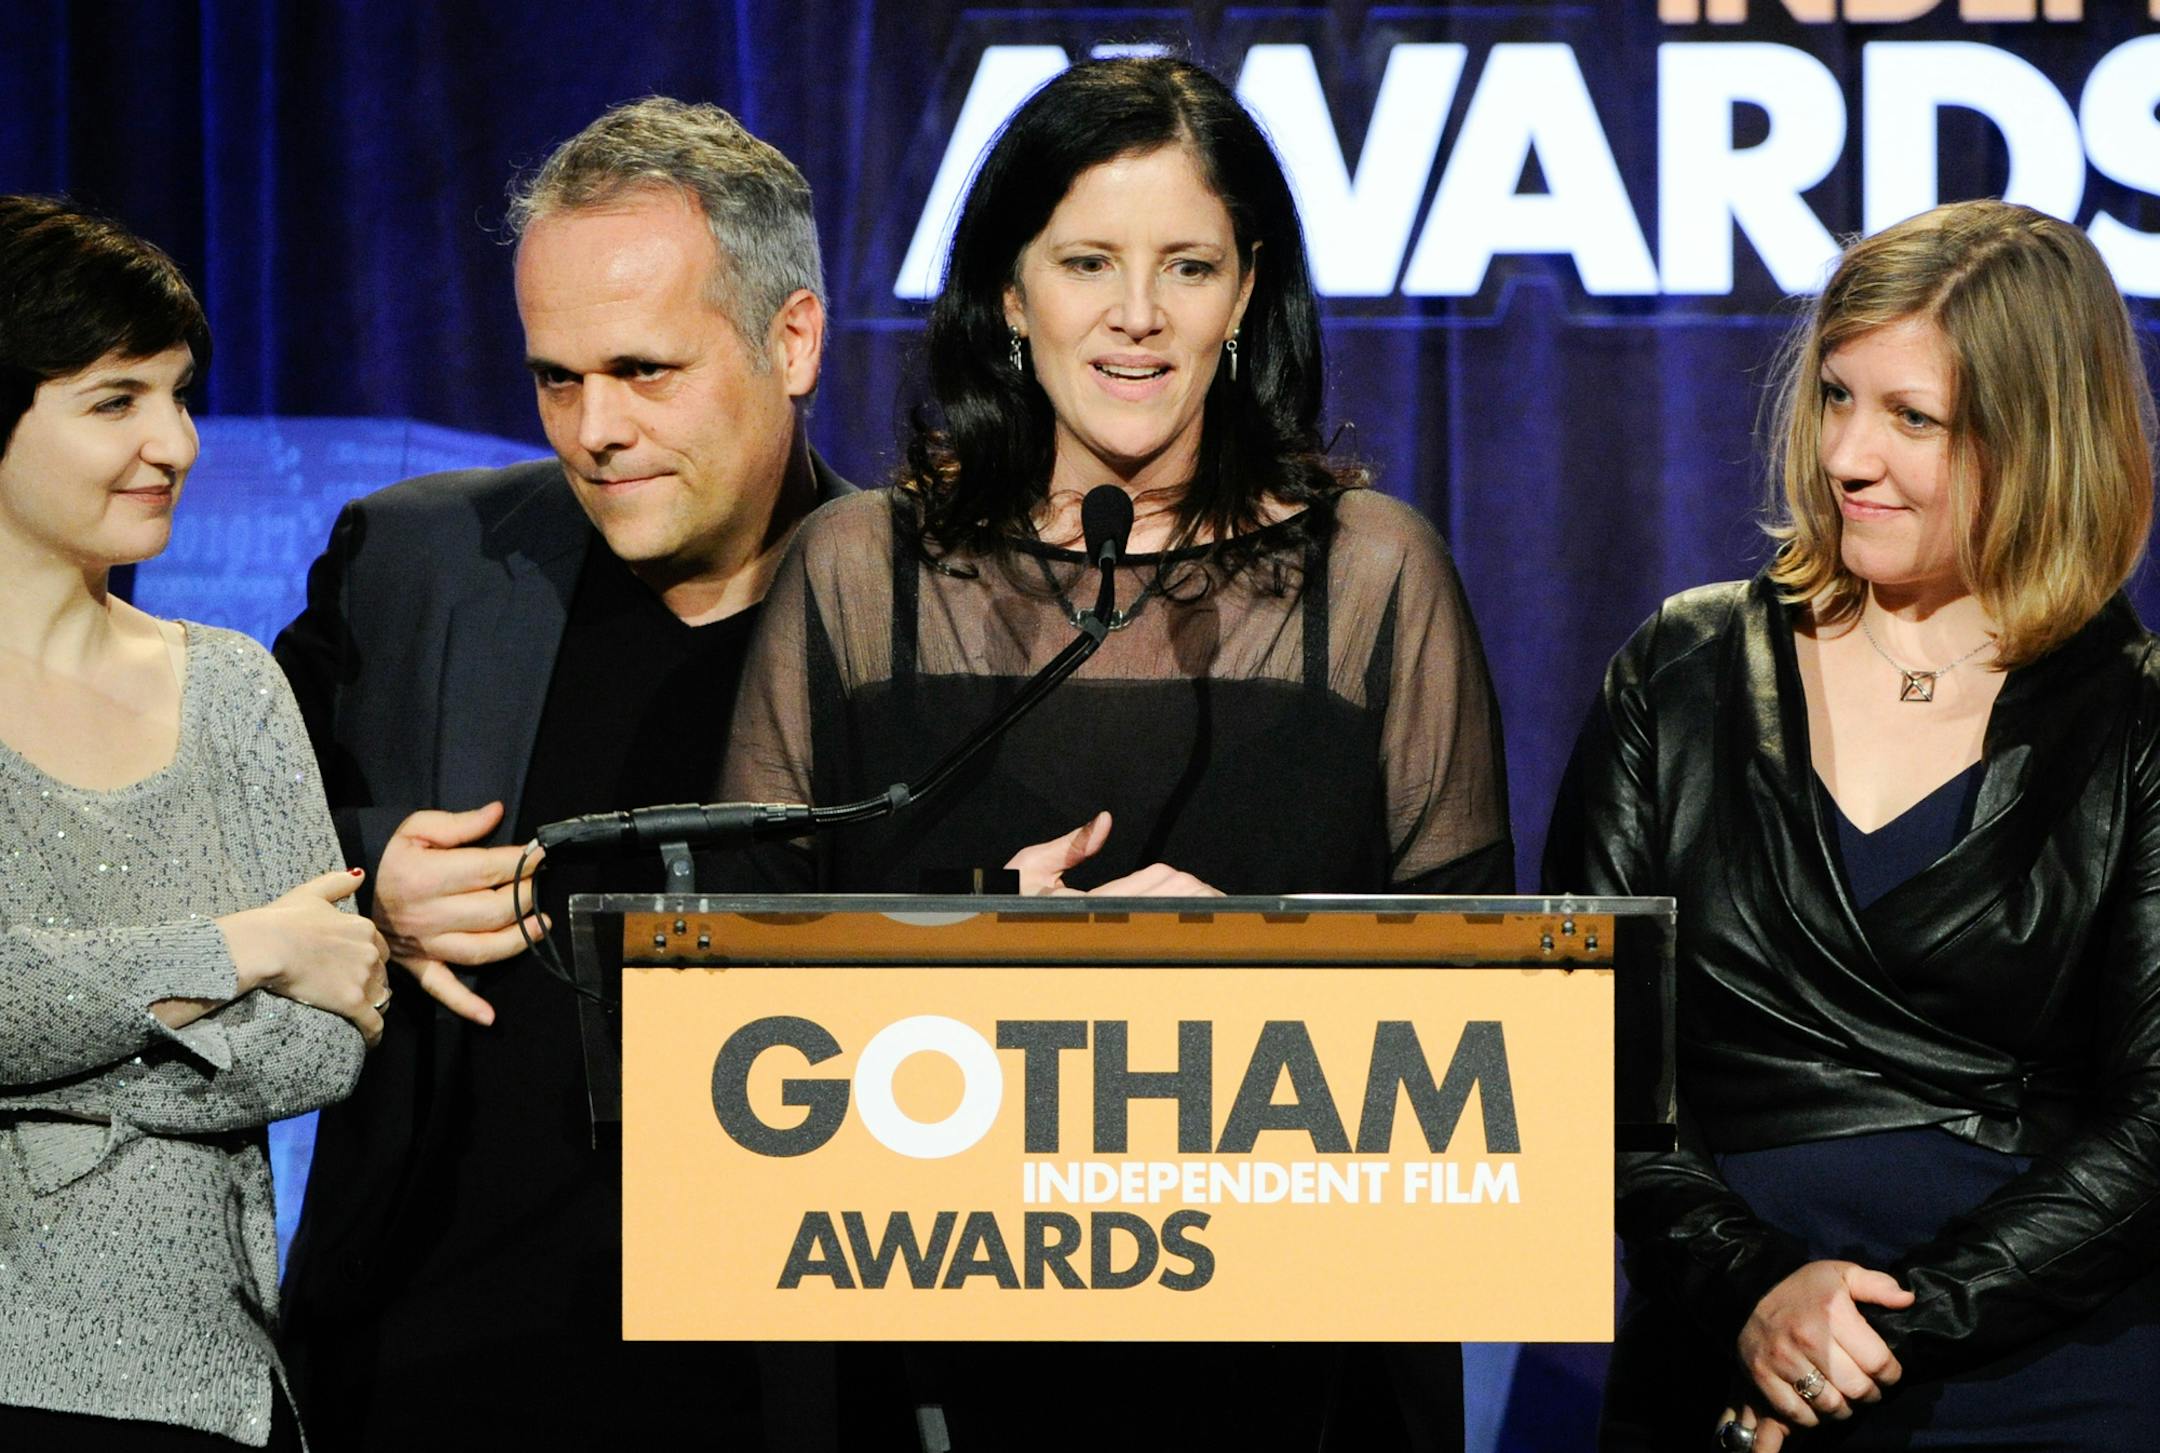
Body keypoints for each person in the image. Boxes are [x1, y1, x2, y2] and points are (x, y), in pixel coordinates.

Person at [721, 56, 1511, 1451]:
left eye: (1188, 266)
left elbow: (1499, 1040)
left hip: (1295, 1367)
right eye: (1088, 261)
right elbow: (725, 1008)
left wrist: (1268, 967)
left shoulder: (1374, 579)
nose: (1137, 317)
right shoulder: (860, 573)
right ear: (1011, 295)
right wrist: (976, 947)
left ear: (1247, 292)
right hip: (932, 1356)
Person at [272, 99, 852, 1449]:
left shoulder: (934, 608)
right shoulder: (417, 565)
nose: (593, 429)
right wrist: (369, 893)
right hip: (434, 1369)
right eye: (556, 377)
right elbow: (195, 854)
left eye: (647, 372)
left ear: (795, 339)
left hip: (785, 1385)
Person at [1545, 199, 2160, 1451]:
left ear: (2041, 439)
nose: (1847, 456)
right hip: (1720, 1358)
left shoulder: (2138, 723)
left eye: (1911, 418)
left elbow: (2153, 1123)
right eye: (1836, 397)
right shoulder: (1679, 671)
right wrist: (1756, 1293)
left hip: (2035, 1380)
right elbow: (1582, 1070)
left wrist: (1881, 1330)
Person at [0, 195, 389, 1450]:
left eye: (178, 395)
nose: (172, 441)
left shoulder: (233, 685)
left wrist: (49, 1090)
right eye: (115, 400)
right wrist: (235, 951)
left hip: (214, 1387)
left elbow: (326, 1042)